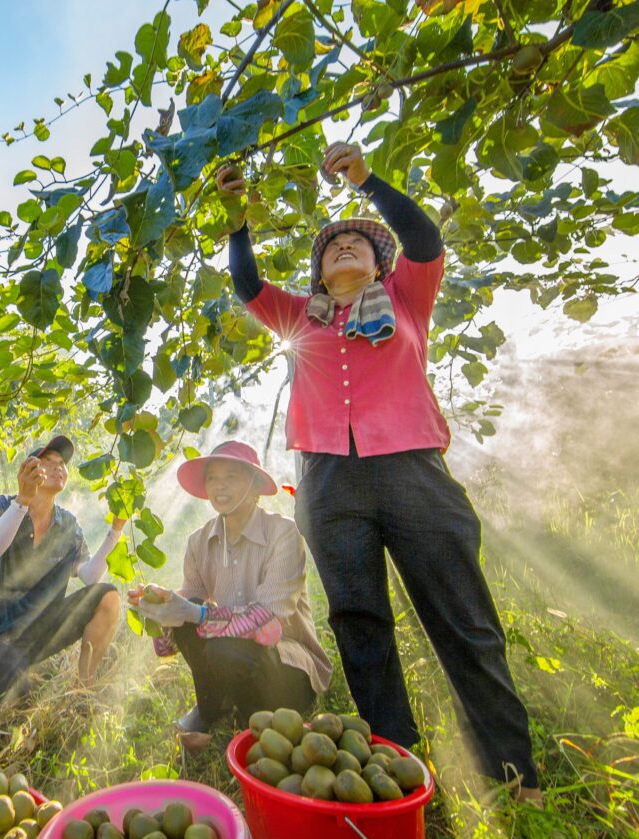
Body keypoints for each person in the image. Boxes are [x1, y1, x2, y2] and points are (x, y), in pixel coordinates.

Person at [216, 143, 541, 801]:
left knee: (462, 619)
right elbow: (248, 284)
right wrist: (237, 217)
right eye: (331, 246)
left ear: (379, 262)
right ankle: (399, 764)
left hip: (412, 472)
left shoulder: (407, 295)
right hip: (329, 482)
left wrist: (365, 183)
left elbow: (421, 239)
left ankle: (511, 770)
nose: (343, 246)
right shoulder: (300, 318)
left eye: (358, 243)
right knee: (359, 622)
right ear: (317, 272)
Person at [130, 441, 332, 740]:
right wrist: (161, 611)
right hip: (232, 660)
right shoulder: (199, 542)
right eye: (212, 477)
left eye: (231, 477)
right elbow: (177, 633)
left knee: (221, 642)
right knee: (194, 612)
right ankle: (213, 706)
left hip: (286, 668)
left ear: (254, 485)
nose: (219, 486)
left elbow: (266, 617)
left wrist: (193, 612)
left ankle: (252, 722)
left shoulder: (283, 533)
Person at [0, 435, 123, 700]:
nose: (59, 467)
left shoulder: (67, 525)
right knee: (13, 691)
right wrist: (22, 500)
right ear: (28, 470)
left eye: (62, 463)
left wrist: (116, 531)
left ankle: (84, 691)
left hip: (45, 629)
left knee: (108, 596)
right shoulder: (2, 505)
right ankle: (15, 677)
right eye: (48, 461)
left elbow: (89, 577)